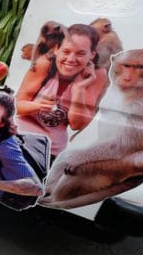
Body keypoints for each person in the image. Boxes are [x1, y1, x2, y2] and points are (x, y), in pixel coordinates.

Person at [16, 22, 109, 156]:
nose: (71, 59)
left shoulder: (97, 75)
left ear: (92, 55)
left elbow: (77, 125)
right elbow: (16, 106)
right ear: (56, 49)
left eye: (80, 54)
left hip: (49, 151)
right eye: (66, 51)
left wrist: (79, 89)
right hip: (18, 137)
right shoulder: (44, 63)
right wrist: (38, 105)